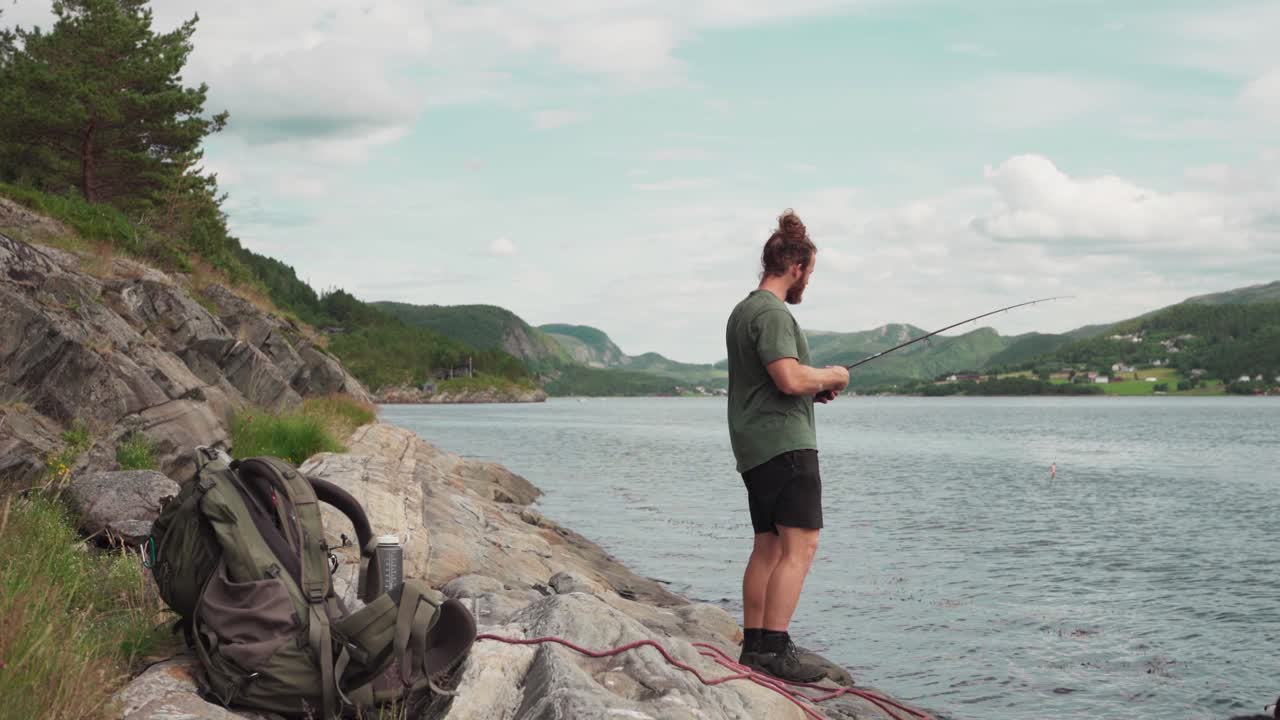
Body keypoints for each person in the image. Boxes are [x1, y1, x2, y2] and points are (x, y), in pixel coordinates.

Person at [724, 209, 850, 683]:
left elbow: (773, 382)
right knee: (802, 545)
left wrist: (811, 388)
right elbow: (787, 375)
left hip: (755, 447)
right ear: (796, 266)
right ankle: (775, 651)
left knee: (768, 547)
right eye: (809, 273)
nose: (807, 283)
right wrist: (834, 376)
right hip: (786, 447)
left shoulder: (743, 311)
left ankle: (754, 646)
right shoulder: (774, 313)